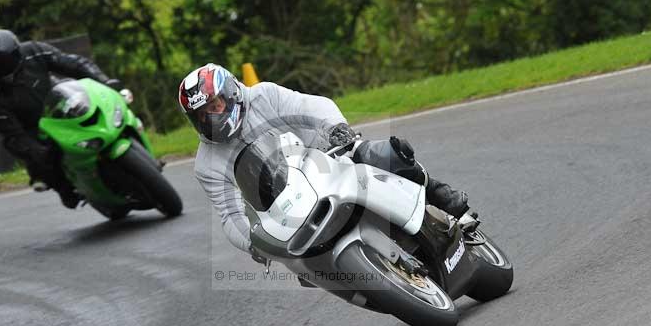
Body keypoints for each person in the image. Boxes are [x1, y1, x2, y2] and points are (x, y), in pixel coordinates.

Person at [179, 63, 469, 255]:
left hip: (326, 159)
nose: (212, 117)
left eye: (215, 105)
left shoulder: (263, 95)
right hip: (285, 208)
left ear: (230, 93)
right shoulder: (207, 164)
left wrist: (337, 130)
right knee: (294, 259)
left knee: (379, 153)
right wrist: (254, 245)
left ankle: (439, 193)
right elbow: (230, 214)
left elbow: (312, 105)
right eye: (202, 115)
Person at [0, 28, 122, 208]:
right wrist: (34, 150)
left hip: (57, 101)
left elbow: (73, 63)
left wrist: (103, 80)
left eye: (7, 63)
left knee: (97, 101)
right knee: (38, 156)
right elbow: (10, 130)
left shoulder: (34, 51)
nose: (5, 71)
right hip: (32, 126)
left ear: (17, 51)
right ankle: (64, 187)